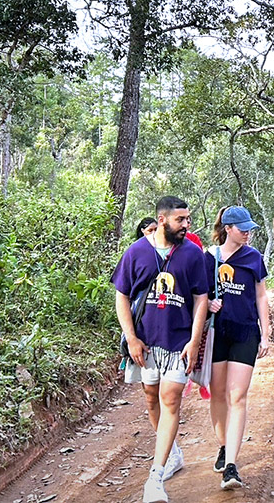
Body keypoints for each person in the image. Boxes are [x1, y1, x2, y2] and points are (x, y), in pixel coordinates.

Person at [113, 196, 210, 503]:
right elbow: (122, 297)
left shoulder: (192, 254)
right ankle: (173, 453)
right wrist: (131, 338)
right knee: (151, 398)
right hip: (144, 342)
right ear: (163, 220)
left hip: (178, 343)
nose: (187, 225)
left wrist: (194, 341)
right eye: (181, 220)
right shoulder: (136, 252)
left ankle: (154, 479)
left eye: (188, 219)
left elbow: (201, 299)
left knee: (170, 400)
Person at [203, 206, 271, 490]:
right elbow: (198, 296)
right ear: (227, 228)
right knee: (217, 393)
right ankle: (223, 446)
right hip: (218, 332)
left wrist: (266, 334)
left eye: (249, 228)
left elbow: (261, 295)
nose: (247, 233)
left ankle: (231, 465)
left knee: (238, 396)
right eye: (241, 228)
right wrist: (208, 304)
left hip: (245, 332)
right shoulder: (209, 258)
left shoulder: (253, 258)